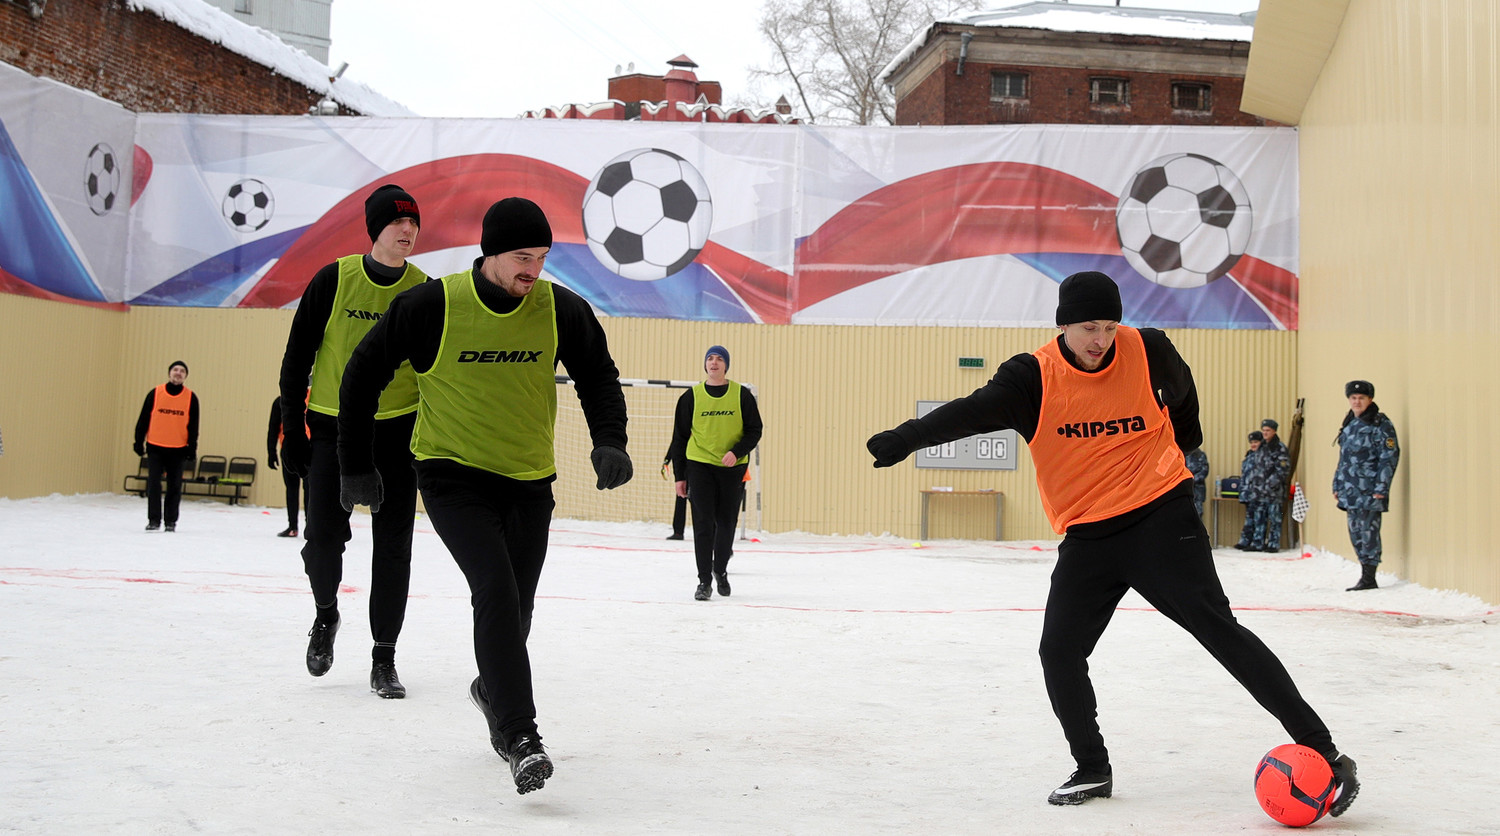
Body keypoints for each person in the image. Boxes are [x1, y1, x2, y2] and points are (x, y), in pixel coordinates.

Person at [865, 271, 1359, 815]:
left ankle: (1324, 750)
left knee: (1217, 628)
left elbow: (1185, 385)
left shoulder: (1146, 348)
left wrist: (1184, 435)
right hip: (1089, 533)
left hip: (1161, 515)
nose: (1100, 339)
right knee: (1059, 649)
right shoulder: (1033, 377)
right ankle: (1091, 766)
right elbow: (970, 411)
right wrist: (907, 438)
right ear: (1063, 325)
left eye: (1108, 326)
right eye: (1087, 328)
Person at [337, 196, 632, 795]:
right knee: (494, 589)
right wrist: (355, 465)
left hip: (528, 480)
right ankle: (522, 736)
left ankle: (490, 689)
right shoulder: (434, 305)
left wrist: (610, 440)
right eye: (522, 257)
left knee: (516, 607)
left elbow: (598, 373)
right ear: (491, 253)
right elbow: (362, 373)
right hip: (452, 474)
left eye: (542, 258)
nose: (533, 270)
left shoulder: (558, 308)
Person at [276, 184, 425, 698]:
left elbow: (439, 372)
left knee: (394, 549)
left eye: (414, 223)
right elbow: (297, 359)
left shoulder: (425, 290)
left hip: (398, 430)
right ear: (375, 228)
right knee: (322, 541)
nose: (408, 230)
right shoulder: (334, 280)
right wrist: (293, 430)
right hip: (333, 427)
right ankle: (325, 615)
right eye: (398, 222)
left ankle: (384, 658)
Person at [668, 345, 763, 601]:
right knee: (702, 524)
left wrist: (737, 451)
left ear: (726, 365)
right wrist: (680, 476)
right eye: (710, 358)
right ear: (705, 365)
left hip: (732, 467)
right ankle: (703, 581)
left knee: (726, 522)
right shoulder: (691, 397)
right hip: (699, 465)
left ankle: (720, 569)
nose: (714, 362)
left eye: (719, 358)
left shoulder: (741, 395)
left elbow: (755, 429)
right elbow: (679, 437)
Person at [1333, 380, 1399, 591]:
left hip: (1369, 490)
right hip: (1350, 490)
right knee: (1355, 533)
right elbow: (1344, 458)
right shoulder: (1350, 422)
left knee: (1369, 533)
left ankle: (1369, 577)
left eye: (1361, 398)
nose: (1357, 402)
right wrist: (1337, 484)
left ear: (1370, 399)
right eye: (1353, 398)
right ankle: (1364, 572)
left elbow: (1389, 457)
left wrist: (1381, 487)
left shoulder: (1380, 423)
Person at [132, 360, 199, 532]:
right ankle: (154, 520)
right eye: (175, 370)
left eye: (182, 371)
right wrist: (138, 441)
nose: (178, 373)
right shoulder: (155, 393)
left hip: (178, 449)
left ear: (185, 376)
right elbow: (143, 419)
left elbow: (193, 426)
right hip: (155, 446)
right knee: (154, 485)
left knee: (174, 486)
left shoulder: (191, 398)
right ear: (169, 373)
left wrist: (192, 448)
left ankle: (171, 521)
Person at [267, 393, 309, 537]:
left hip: (310, 449)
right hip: (289, 449)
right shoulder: (281, 401)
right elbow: (273, 427)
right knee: (292, 488)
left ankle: (309, 525)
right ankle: (293, 526)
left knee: (309, 489)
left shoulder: (313, 399)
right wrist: (271, 451)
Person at [1259, 418, 1292, 550]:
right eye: (1263, 430)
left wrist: (1269, 484)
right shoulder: (1262, 447)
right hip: (1260, 490)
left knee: (1275, 519)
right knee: (1260, 518)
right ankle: (1259, 542)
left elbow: (1283, 470)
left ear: (1274, 431)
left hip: (1274, 491)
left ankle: (1273, 544)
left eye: (1268, 430)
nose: (1265, 433)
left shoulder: (1280, 448)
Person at [1234, 431, 1268, 550]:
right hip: (1248, 493)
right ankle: (1245, 541)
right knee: (1249, 518)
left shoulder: (1264, 455)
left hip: (1260, 492)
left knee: (1259, 518)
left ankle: (1257, 542)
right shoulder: (1249, 455)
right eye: (1252, 442)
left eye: (1256, 442)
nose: (1253, 445)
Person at [662, 445, 687, 540]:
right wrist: (667, 460)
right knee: (681, 497)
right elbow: (676, 443)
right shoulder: (682, 433)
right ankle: (678, 532)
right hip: (682, 467)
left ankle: (713, 531)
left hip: (696, 467)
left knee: (698, 502)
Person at [1184, 447, 1208, 518]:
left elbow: (1204, 471)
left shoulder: (1200, 455)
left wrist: (1191, 480)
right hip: (1185, 491)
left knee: (1197, 515)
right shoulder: (1181, 454)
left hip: (1197, 491)